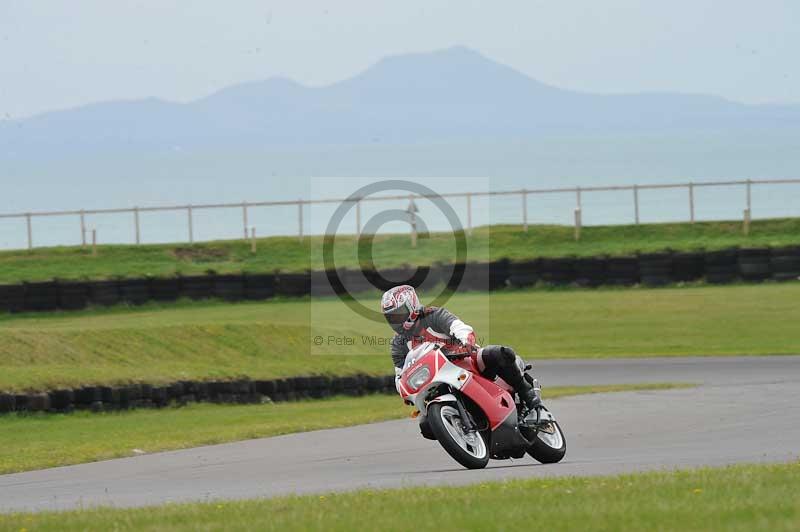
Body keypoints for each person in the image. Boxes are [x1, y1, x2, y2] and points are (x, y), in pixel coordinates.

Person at [381, 284, 540, 410]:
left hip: (466, 361)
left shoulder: (433, 315)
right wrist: (405, 391)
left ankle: (526, 391)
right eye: (391, 317)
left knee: (497, 353)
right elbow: (400, 376)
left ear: (412, 306)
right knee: (426, 425)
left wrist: (466, 343)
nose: (396, 320)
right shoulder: (398, 344)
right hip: (437, 380)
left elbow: (460, 328)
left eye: (399, 314)